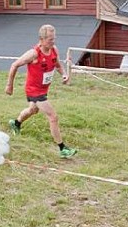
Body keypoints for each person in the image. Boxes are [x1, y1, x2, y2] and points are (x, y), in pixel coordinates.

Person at [5, 24, 77, 158]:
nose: (53, 42)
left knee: (33, 110)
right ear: (41, 39)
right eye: (50, 39)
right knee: (53, 117)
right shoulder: (33, 54)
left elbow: (57, 65)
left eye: (54, 39)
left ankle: (16, 123)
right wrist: (9, 85)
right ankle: (62, 149)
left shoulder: (54, 49)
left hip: (43, 89)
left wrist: (64, 74)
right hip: (34, 91)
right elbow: (14, 65)